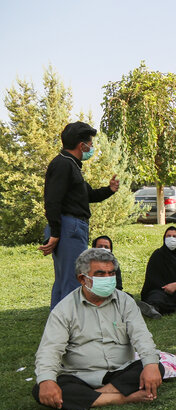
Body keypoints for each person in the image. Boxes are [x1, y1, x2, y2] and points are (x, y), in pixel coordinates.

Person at [34, 247, 164, 410]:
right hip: (80, 376)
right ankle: (123, 397)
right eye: (101, 274)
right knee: (41, 388)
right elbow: (50, 349)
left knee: (155, 366)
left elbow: (141, 336)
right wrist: (46, 381)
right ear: (82, 278)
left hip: (119, 371)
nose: (108, 278)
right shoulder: (64, 309)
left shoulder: (125, 301)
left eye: (111, 273)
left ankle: (92, 398)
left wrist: (151, 365)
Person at [39, 122, 120, 309]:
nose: (91, 147)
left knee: (64, 281)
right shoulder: (63, 164)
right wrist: (56, 233)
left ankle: (59, 331)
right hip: (69, 228)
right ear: (81, 145)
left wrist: (109, 190)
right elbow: (52, 201)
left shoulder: (72, 165)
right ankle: (70, 331)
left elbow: (87, 195)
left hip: (72, 227)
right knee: (72, 282)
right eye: (90, 143)